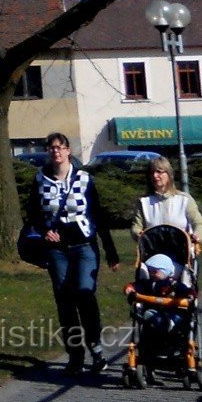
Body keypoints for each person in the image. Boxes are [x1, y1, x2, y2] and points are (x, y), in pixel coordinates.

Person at [35, 132, 120, 374]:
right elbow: (33, 213)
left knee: (85, 294)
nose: (56, 152)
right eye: (52, 148)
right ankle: (75, 355)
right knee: (64, 301)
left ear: (68, 150)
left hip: (84, 245)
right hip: (57, 249)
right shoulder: (40, 179)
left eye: (60, 147)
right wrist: (44, 231)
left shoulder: (84, 178)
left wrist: (111, 252)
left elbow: (98, 216)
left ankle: (96, 350)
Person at [129, 156, 202, 246]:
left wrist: (197, 237)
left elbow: (199, 224)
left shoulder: (184, 200)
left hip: (182, 253)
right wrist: (138, 233)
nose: (155, 176)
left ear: (168, 174)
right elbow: (136, 226)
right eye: (152, 172)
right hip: (153, 252)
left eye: (159, 172)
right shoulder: (143, 202)